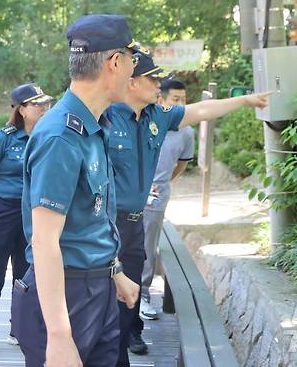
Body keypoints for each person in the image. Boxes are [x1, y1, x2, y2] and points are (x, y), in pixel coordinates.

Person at [106, 53, 272, 365]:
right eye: (152, 79)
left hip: (135, 224)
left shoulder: (157, 115)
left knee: (127, 308)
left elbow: (201, 110)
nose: (159, 84)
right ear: (130, 81)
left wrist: (246, 101)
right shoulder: (105, 117)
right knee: (105, 314)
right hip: (106, 225)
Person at [11, 14, 140, 367]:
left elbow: (89, 217)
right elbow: (45, 240)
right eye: (132, 61)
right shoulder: (61, 136)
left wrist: (114, 272)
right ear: (115, 62)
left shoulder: (92, 126)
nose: (133, 71)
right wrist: (59, 337)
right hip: (66, 298)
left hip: (97, 289)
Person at [0, 83, 53, 359]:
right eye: (37, 104)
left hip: (34, 212)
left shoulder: (49, 135)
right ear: (22, 109)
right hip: (3, 211)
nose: (44, 108)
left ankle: (20, 330)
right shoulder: (3, 138)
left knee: (27, 274)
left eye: (46, 103)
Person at [136, 78, 194, 322]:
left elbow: (180, 165)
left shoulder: (186, 131)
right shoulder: (144, 122)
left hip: (157, 197)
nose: (181, 104)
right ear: (161, 100)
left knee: (148, 246)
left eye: (184, 100)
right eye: (176, 100)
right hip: (130, 192)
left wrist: (160, 183)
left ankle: (143, 294)